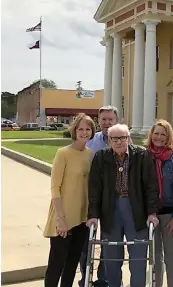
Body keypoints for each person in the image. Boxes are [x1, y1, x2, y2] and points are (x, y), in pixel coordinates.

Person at [87, 123, 159, 287]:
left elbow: (151, 187)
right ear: (109, 140)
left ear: (128, 138)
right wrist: (93, 215)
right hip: (110, 210)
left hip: (136, 210)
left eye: (123, 138)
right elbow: (94, 189)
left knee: (139, 257)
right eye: (115, 139)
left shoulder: (141, 155)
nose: (119, 142)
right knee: (112, 257)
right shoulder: (101, 157)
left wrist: (152, 213)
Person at [43, 113, 96, 287]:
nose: (84, 132)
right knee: (56, 265)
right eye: (81, 129)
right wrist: (61, 219)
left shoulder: (90, 154)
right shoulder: (63, 153)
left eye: (88, 129)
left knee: (72, 264)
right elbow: (55, 188)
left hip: (82, 218)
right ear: (74, 130)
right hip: (63, 217)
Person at [79, 105, 120, 287]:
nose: (107, 122)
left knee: (108, 242)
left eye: (110, 119)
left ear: (116, 120)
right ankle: (85, 277)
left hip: (114, 201)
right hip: (91, 199)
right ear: (99, 120)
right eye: (104, 119)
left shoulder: (124, 141)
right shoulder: (90, 142)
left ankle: (103, 279)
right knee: (86, 242)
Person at [144, 119, 173, 287]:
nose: (159, 137)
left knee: (171, 258)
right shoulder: (143, 157)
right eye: (156, 133)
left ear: (168, 138)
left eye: (163, 135)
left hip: (169, 216)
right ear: (151, 135)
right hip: (150, 216)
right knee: (154, 258)